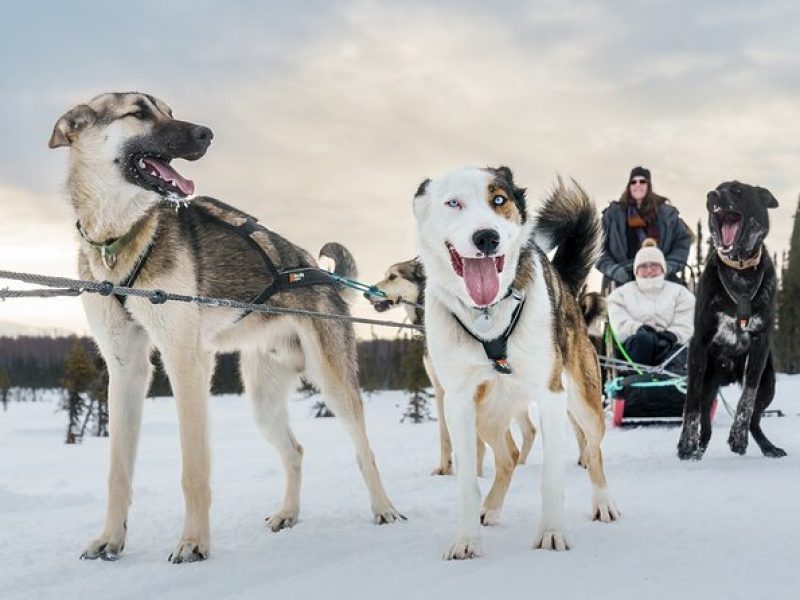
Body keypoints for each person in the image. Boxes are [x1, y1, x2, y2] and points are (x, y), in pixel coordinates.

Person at [597, 166, 692, 287]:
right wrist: (613, 270)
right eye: (633, 181)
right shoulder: (612, 215)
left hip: (660, 282)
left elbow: (682, 242)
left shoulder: (668, 215)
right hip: (620, 282)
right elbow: (598, 248)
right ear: (629, 185)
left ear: (649, 185)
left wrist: (667, 266)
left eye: (642, 181)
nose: (638, 185)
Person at [607, 239, 695, 369]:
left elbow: (686, 320)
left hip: (671, 345)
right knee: (642, 341)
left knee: (677, 355)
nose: (649, 270)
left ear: (663, 269)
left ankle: (672, 383)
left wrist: (672, 336)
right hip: (636, 345)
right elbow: (618, 321)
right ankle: (636, 382)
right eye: (643, 266)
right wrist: (638, 329)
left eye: (654, 265)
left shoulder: (680, 293)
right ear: (636, 270)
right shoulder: (620, 294)